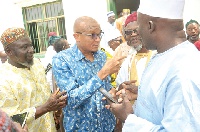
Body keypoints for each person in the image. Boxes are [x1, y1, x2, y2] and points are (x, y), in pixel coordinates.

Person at [107, 0, 200, 131]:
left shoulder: (183, 71)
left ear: (150, 26)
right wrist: (143, 93)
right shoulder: (164, 55)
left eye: (138, 26)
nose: (136, 32)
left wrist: (128, 118)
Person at [52, 16, 125, 131]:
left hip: (107, 126)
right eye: (92, 35)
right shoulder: (62, 60)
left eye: (99, 34)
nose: (97, 39)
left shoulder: (101, 56)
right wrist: (102, 73)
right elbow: (71, 99)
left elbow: (104, 87)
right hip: (80, 128)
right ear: (77, 37)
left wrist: (113, 92)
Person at [0, 27, 67, 132]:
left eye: (30, 45)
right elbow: (11, 119)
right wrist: (46, 108)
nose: (31, 50)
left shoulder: (36, 64)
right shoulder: (3, 79)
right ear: (9, 52)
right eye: (24, 47)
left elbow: (44, 92)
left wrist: (55, 108)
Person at [116, 12, 155, 88]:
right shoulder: (128, 61)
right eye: (128, 32)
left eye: (136, 30)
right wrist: (120, 89)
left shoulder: (158, 56)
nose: (133, 35)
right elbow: (120, 85)